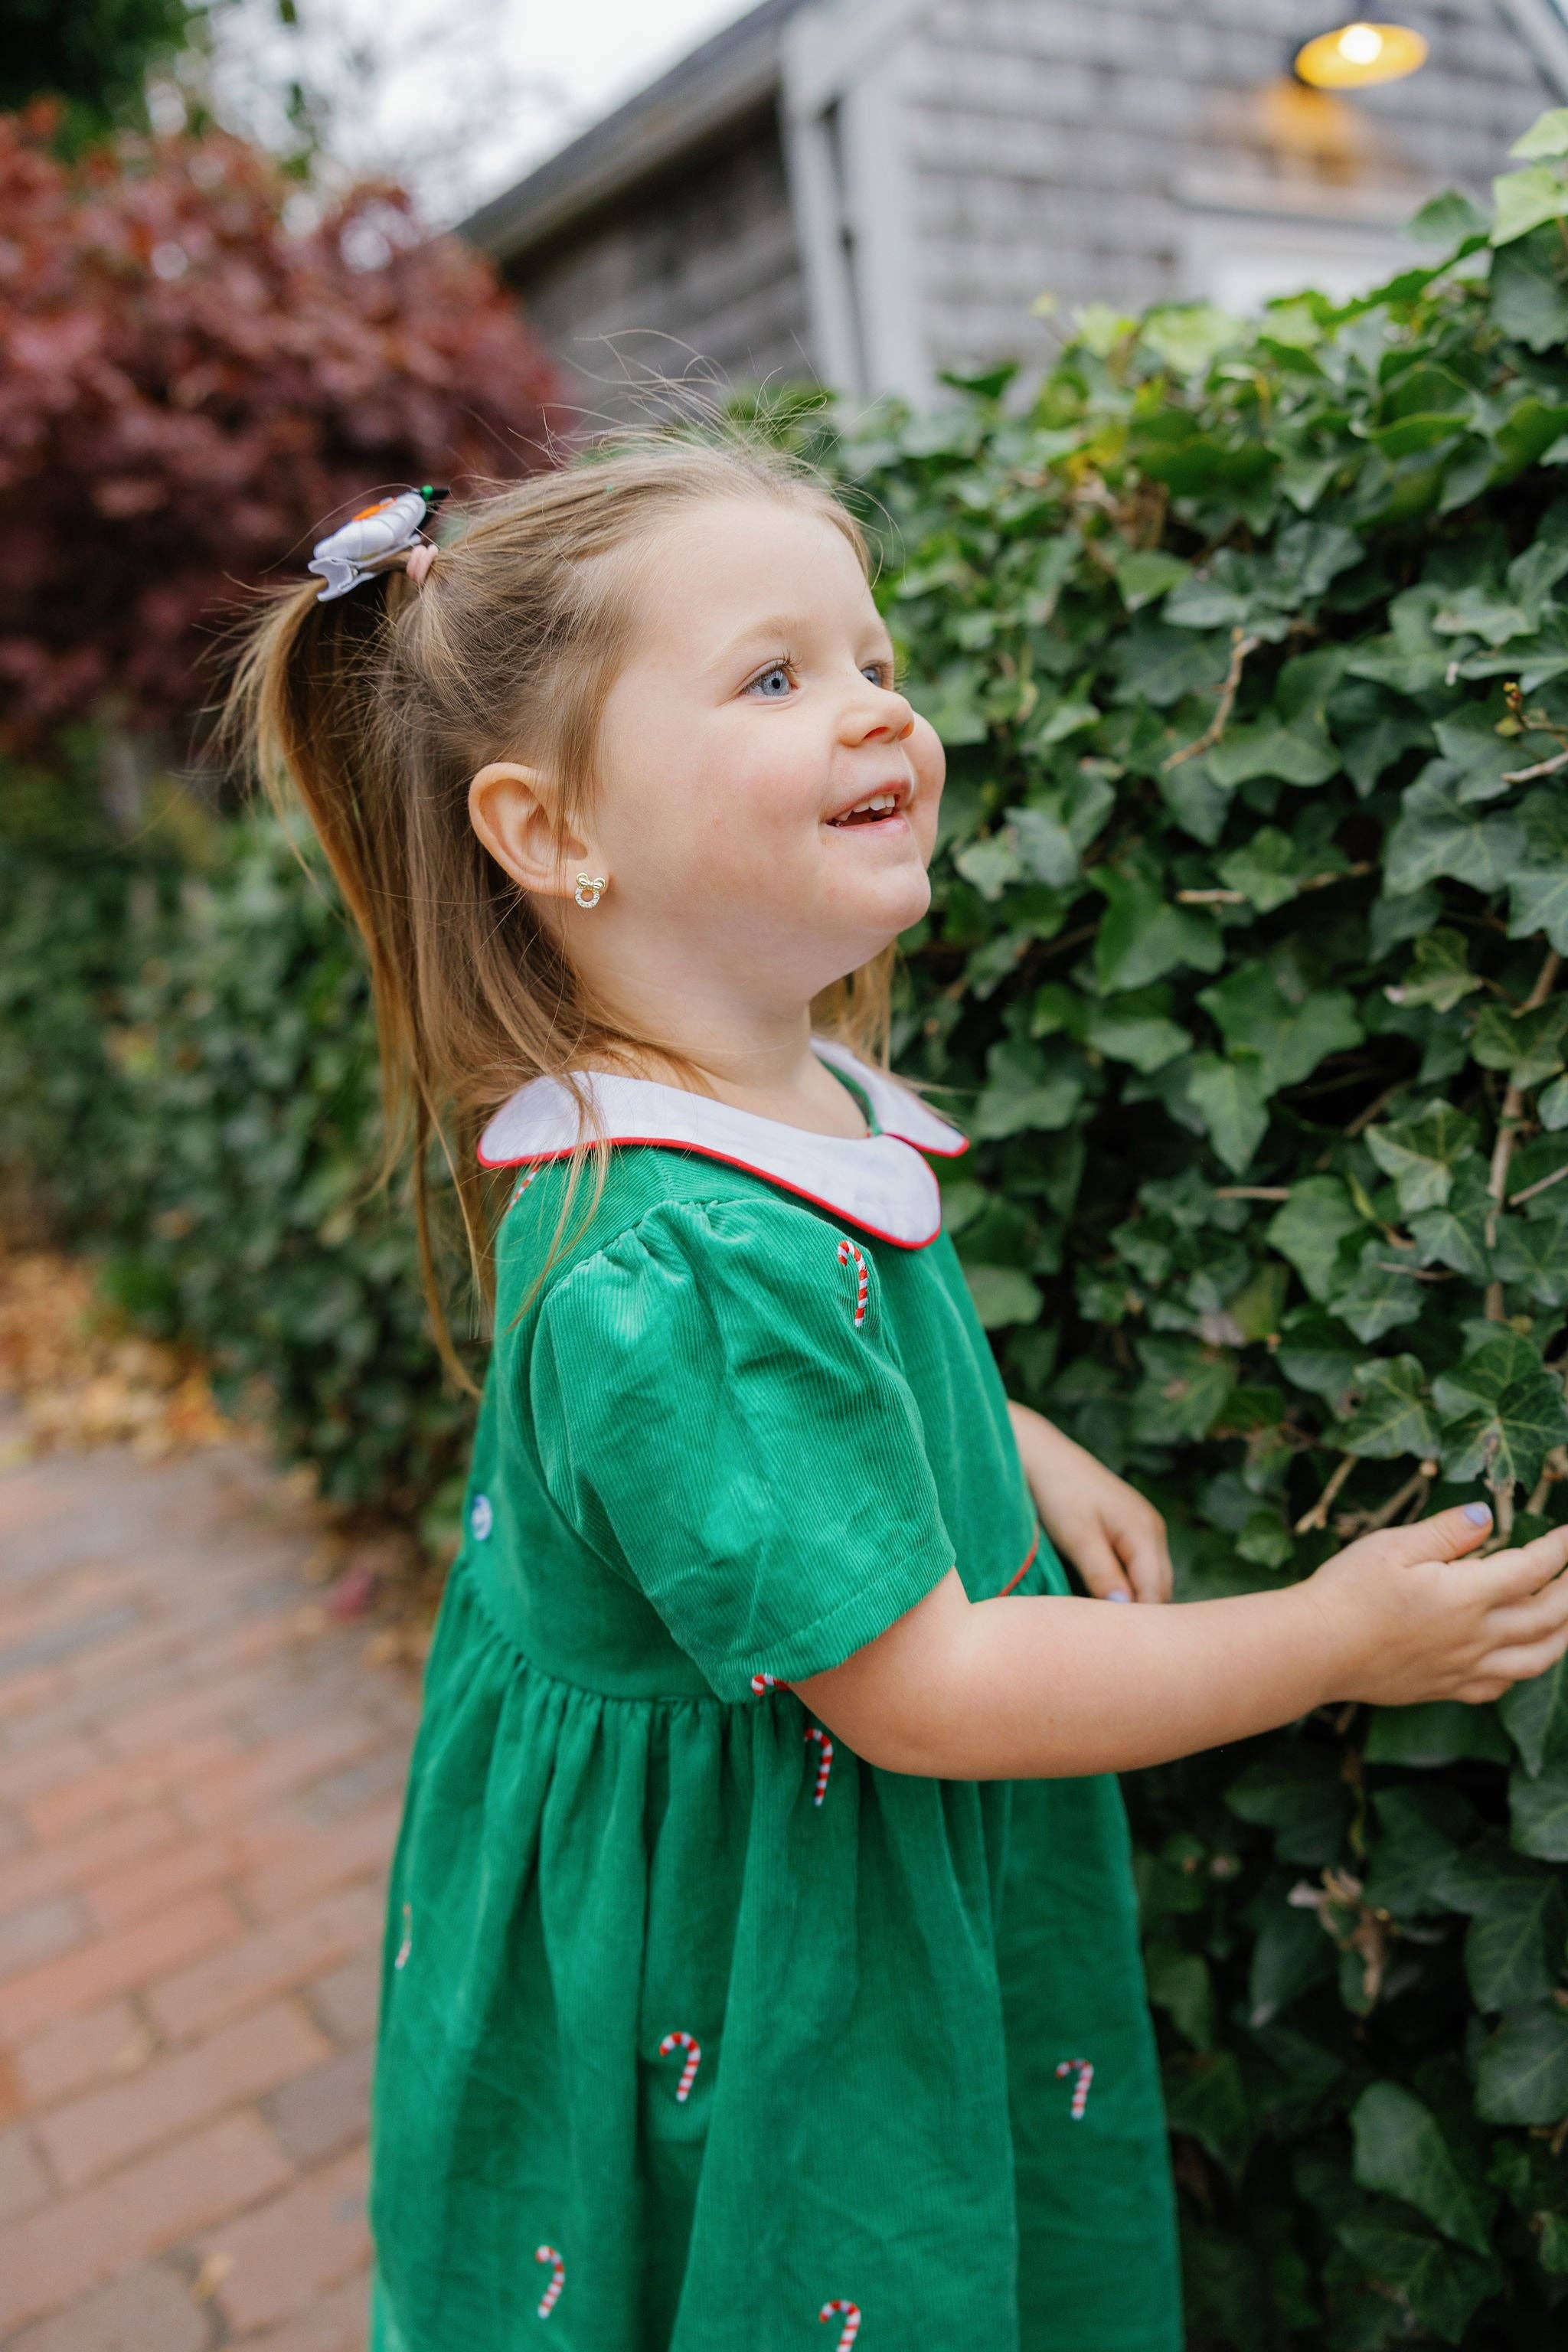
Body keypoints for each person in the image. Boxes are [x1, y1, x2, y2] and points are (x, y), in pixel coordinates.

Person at [225, 437, 1568, 2352]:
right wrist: (1328, 1638)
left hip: (813, 1821)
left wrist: (1003, 1437)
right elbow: (923, 1687)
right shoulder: (666, 1253)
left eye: (871, 657)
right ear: (551, 834)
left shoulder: (783, 1087)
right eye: (776, 677)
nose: (883, 709)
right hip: (750, 1907)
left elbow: (827, 1386)